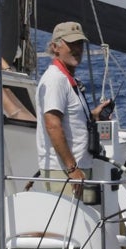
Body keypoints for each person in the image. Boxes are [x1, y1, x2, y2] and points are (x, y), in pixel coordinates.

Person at [36, 21, 112, 197]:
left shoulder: (67, 78)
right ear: (55, 47)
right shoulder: (55, 79)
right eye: (71, 44)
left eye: (80, 44)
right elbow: (53, 125)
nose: (77, 49)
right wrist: (72, 168)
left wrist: (93, 116)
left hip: (78, 169)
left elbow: (68, 120)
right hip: (67, 172)